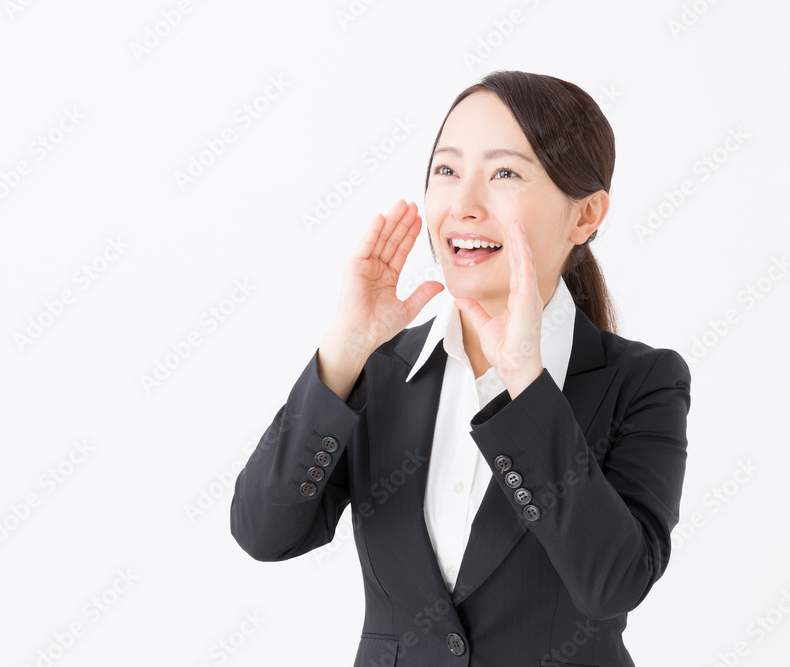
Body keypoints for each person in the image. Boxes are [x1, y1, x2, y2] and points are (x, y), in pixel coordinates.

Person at [229, 70, 691, 666]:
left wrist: (526, 388)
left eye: (504, 173)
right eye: (447, 170)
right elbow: (263, 532)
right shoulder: (380, 370)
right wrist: (345, 350)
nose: (464, 205)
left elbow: (613, 582)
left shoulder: (642, 383)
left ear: (585, 215)